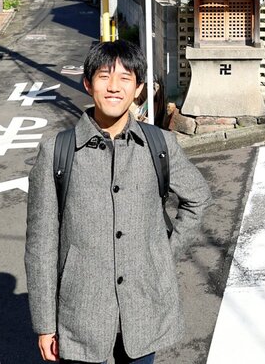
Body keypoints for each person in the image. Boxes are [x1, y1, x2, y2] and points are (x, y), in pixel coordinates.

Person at [25, 40, 212, 364]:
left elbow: (198, 198)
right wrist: (44, 323)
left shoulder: (159, 144)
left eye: (125, 78)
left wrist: (163, 254)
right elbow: (41, 244)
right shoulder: (56, 151)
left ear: (138, 88)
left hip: (142, 312)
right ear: (87, 83)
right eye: (103, 76)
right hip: (80, 315)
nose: (114, 87)